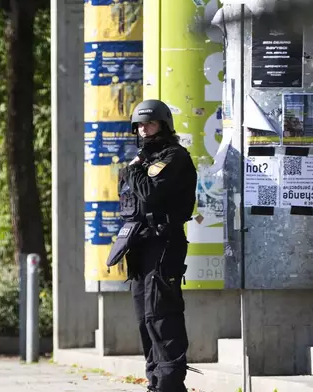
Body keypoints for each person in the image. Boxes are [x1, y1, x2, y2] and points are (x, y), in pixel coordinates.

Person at [114, 99, 197, 392]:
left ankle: (170, 384)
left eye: (149, 123)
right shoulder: (143, 160)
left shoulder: (174, 157)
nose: (143, 129)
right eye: (139, 124)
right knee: (145, 318)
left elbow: (150, 194)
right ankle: (156, 382)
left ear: (163, 124)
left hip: (164, 243)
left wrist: (132, 172)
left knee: (162, 316)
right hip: (140, 245)